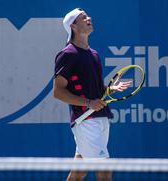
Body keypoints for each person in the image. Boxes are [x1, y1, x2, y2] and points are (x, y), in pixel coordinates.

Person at [53, 8, 131, 181]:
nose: (89, 18)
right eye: (83, 17)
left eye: (88, 16)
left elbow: (95, 91)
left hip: (100, 118)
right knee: (104, 169)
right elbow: (58, 92)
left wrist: (110, 89)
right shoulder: (68, 54)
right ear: (73, 26)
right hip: (86, 120)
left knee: (79, 171)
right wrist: (88, 103)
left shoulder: (93, 54)